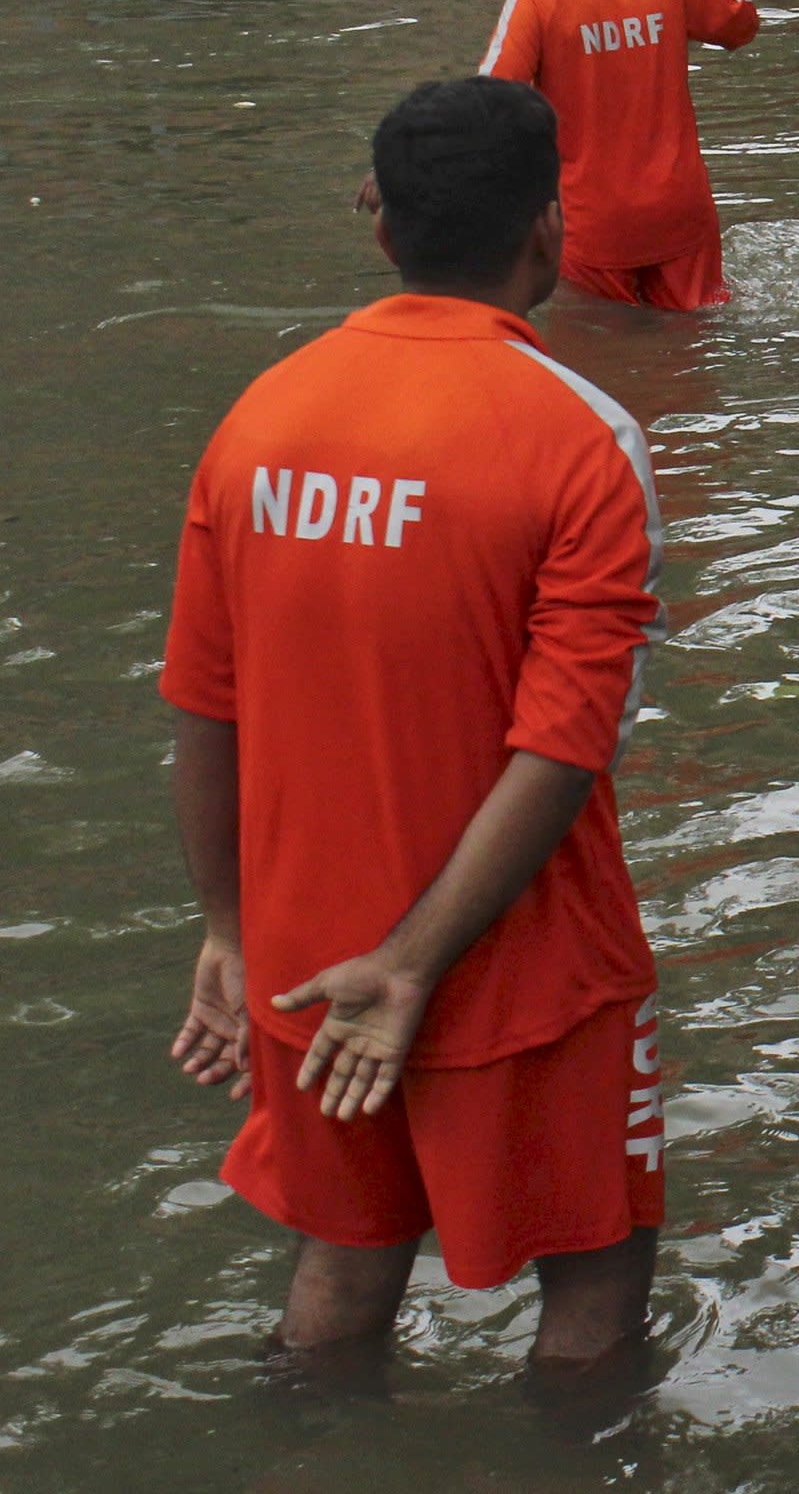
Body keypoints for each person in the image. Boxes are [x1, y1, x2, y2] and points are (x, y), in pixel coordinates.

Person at [163, 76, 667, 1375]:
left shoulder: (255, 422)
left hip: (302, 952)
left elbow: (204, 714)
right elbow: (564, 747)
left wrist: (226, 928)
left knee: (342, 1265)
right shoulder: (581, 438)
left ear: (379, 224)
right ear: (550, 229)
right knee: (595, 1277)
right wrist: (414, 964)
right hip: (526, 969)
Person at [478, 0, 761, 310]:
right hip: (680, 215)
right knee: (693, 354)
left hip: (595, 227)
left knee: (601, 357)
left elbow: (487, 102)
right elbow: (743, 21)